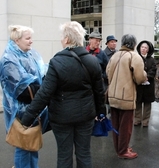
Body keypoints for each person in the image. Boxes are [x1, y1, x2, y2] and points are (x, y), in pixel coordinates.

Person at [21, 21, 106, 168]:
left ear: (67, 39)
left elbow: (45, 93)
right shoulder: (92, 61)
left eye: (62, 36)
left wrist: (27, 117)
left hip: (62, 117)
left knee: (64, 155)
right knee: (84, 153)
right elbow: (99, 91)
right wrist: (101, 112)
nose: (61, 39)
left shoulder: (57, 62)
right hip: (86, 115)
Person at [0, 25, 49, 168]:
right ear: (16, 40)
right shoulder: (9, 59)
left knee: (32, 143)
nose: (31, 41)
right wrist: (45, 91)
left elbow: (43, 74)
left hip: (33, 108)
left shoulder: (30, 54)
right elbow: (23, 91)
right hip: (20, 111)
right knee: (23, 145)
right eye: (28, 38)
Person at [106, 34, 147, 159]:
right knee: (126, 126)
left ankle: (119, 148)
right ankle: (123, 151)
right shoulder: (134, 56)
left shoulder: (115, 55)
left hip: (113, 95)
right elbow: (140, 78)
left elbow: (108, 73)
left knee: (116, 125)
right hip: (127, 96)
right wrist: (144, 74)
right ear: (134, 44)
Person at [134, 40, 157, 127]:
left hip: (148, 84)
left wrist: (146, 77)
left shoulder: (151, 59)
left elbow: (153, 70)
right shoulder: (136, 58)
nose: (143, 49)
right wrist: (140, 77)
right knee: (138, 102)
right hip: (138, 84)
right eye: (142, 47)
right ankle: (137, 119)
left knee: (147, 103)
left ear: (148, 49)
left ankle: (145, 120)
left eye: (145, 48)